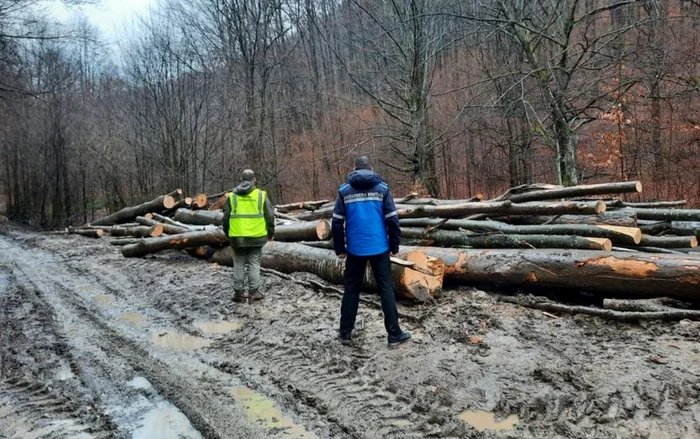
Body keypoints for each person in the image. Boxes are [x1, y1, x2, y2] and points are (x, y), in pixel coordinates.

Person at [331, 156, 411, 347]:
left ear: (354, 169)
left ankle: (345, 334)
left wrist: (340, 249)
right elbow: (392, 219)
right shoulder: (382, 189)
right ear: (371, 168)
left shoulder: (344, 191)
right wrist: (394, 246)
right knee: (385, 290)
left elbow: (336, 222)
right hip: (379, 248)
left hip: (356, 249)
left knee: (351, 290)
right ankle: (394, 334)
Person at [222, 169, 275, 304]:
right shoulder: (261, 195)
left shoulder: (232, 196)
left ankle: (238, 294)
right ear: (254, 179)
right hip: (257, 236)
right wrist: (271, 232)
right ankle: (254, 293)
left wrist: (228, 232)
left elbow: (225, 218)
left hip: (237, 237)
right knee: (254, 263)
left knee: (238, 263)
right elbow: (269, 216)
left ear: (241, 179)